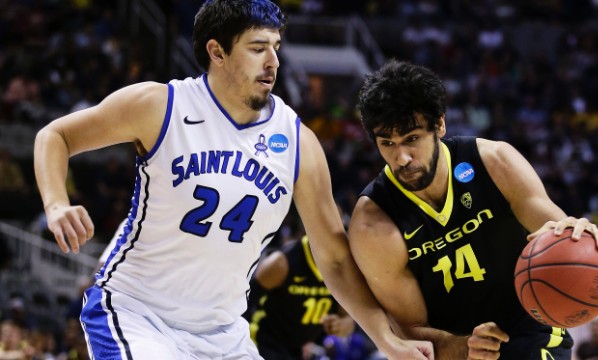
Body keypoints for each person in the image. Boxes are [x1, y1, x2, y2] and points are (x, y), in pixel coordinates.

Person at [32, 1, 434, 358]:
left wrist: (386, 338)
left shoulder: (297, 142)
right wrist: (55, 203)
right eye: (258, 48)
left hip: (225, 333)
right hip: (138, 312)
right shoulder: (160, 105)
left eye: (276, 47)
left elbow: (333, 257)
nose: (273, 61)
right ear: (217, 52)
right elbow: (56, 135)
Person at [348, 59, 598, 359]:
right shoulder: (374, 223)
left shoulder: (495, 163)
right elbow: (408, 328)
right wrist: (463, 347)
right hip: (452, 349)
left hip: (529, 327)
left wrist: (578, 236)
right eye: (387, 143)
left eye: (412, 139)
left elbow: (553, 226)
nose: (401, 158)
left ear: (439, 124)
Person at [244, 234, 356, 360]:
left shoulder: (343, 269)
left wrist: (341, 325)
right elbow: (242, 305)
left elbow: (348, 320)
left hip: (299, 349)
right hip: (264, 341)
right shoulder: (281, 263)